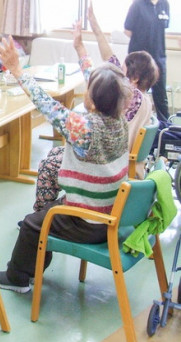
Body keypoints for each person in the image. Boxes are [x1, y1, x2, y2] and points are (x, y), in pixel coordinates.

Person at [0, 35, 132, 293]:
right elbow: (100, 81)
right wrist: (81, 50)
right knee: (45, 211)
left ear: (93, 99)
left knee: (32, 224)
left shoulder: (84, 128)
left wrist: (17, 71)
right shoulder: (120, 121)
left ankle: (18, 278)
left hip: (87, 222)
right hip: (112, 215)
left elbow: (45, 105)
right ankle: (34, 267)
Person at [33, 4, 159, 212]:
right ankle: (50, 210)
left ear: (134, 78)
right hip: (114, 157)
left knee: (50, 162)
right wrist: (81, 46)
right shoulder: (142, 98)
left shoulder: (128, 97)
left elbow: (101, 76)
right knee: (55, 154)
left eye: (124, 69)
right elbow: (99, 76)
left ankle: (43, 217)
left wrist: (84, 42)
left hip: (108, 161)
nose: (119, 70)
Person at [125, 0, 170, 122]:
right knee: (136, 95)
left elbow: (162, 28)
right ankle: (135, 124)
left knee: (161, 96)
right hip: (139, 61)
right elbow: (127, 30)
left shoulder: (164, 4)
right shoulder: (137, 5)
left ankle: (164, 131)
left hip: (159, 57)